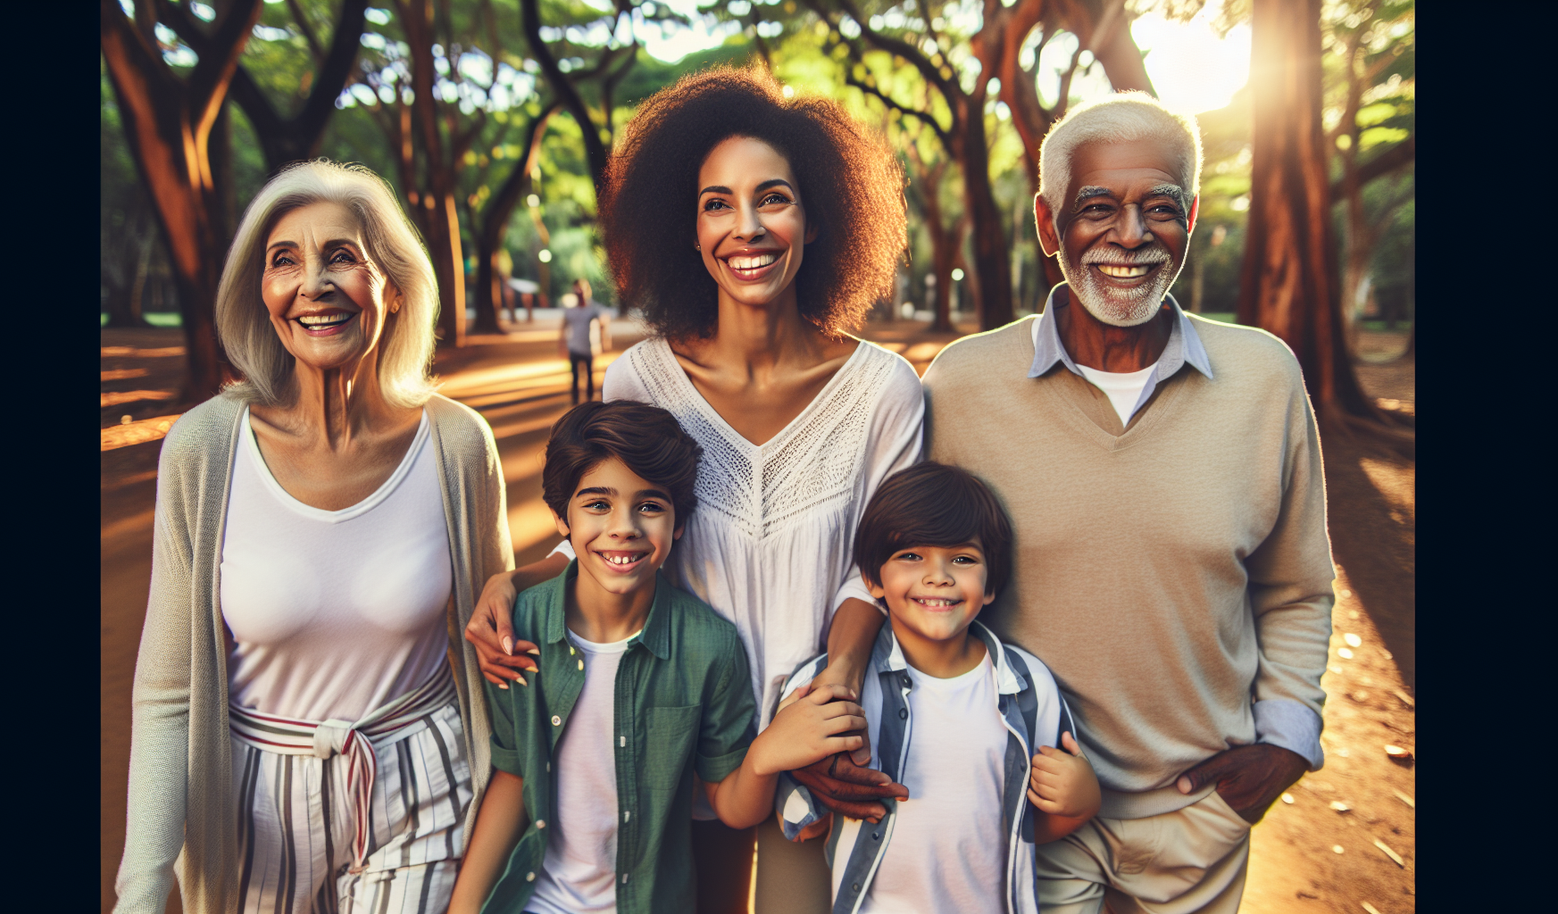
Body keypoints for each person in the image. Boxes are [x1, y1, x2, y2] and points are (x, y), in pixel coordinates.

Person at [463, 67, 920, 913]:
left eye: (772, 198)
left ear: (817, 216)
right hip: (673, 732)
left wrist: (835, 692)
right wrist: (514, 581)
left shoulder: (883, 390)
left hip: (811, 750)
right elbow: (617, 531)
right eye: (717, 203)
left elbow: (881, 566)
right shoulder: (642, 376)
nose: (745, 227)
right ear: (689, 224)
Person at [921, 94, 1336, 914]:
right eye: (1098, 208)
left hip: (1200, 816)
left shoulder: (1265, 378)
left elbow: (1296, 587)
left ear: (1190, 217)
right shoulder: (962, 386)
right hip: (1021, 814)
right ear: (1048, 225)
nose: (1131, 234)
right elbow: (909, 580)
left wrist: (1287, 741)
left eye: (1160, 208)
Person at [114, 160, 515, 914]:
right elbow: (169, 694)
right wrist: (140, 888)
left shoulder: (459, 445)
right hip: (252, 807)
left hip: (423, 785)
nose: (313, 283)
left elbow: (497, 628)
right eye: (284, 261)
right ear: (261, 293)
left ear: (391, 288)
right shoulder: (203, 449)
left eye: (341, 256)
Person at [446, 401, 870, 914]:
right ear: (561, 516)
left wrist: (765, 755)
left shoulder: (709, 647)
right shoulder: (524, 627)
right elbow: (513, 776)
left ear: (679, 523)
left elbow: (732, 807)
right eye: (597, 504)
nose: (623, 527)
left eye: (649, 506)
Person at [775, 461, 1101, 914]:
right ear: (872, 581)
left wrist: (1081, 803)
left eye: (963, 559)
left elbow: (1023, 827)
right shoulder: (830, 689)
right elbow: (801, 822)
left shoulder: (1027, 687)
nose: (939, 576)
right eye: (911, 556)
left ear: (990, 586)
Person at [560, 278, 605, 404]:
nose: (579, 291)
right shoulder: (570, 311)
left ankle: (589, 402)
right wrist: (562, 347)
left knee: (590, 376)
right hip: (573, 347)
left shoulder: (592, 309)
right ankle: (575, 403)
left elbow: (602, 325)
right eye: (577, 289)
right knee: (575, 377)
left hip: (588, 348)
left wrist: (603, 343)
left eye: (582, 288)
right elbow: (562, 328)